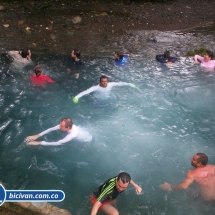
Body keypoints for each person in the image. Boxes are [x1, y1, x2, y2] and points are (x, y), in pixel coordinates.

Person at [25, 118, 92, 146]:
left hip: (86, 139)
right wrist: (37, 135)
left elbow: (58, 143)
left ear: (67, 128)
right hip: (84, 131)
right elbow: (51, 129)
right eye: (60, 125)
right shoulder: (66, 125)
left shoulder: (72, 135)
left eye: (61, 126)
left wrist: (39, 142)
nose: (59, 127)